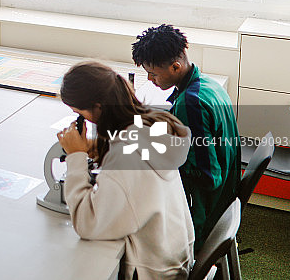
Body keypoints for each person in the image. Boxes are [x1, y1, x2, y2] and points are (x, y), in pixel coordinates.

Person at [57, 61, 194, 280]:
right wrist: (101, 147)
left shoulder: (126, 156)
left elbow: (88, 224)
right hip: (172, 256)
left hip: (152, 271)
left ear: (98, 106)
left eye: (80, 112)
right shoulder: (149, 125)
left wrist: (75, 157)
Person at [131, 23, 240, 252]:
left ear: (175, 66)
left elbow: (207, 176)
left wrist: (155, 166)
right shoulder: (206, 84)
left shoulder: (191, 104)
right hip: (226, 194)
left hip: (205, 209)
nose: (150, 79)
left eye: (153, 74)